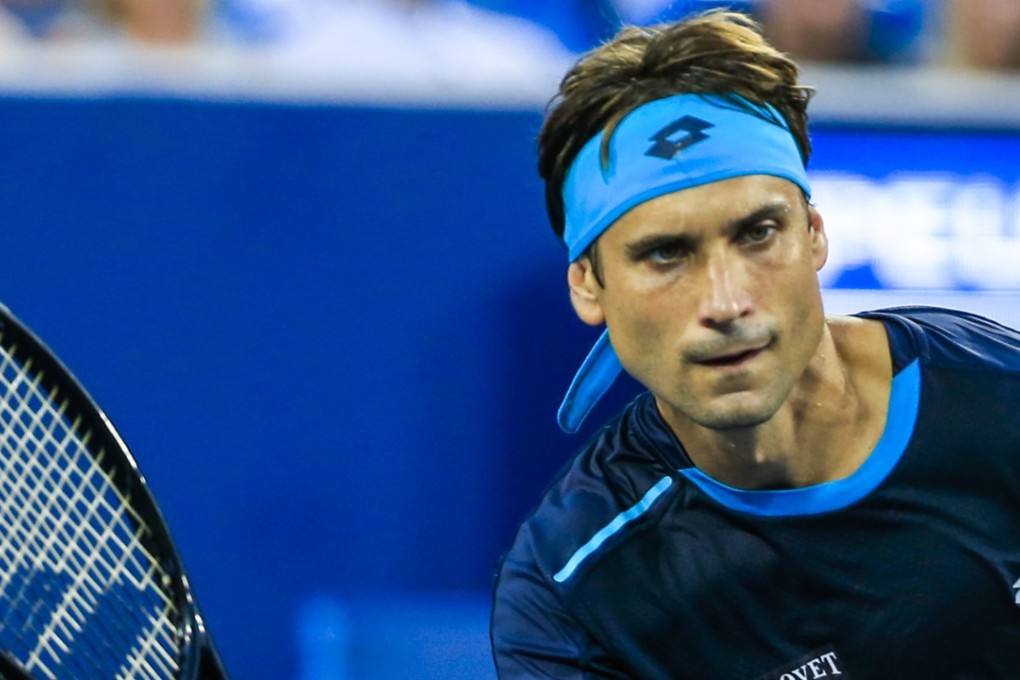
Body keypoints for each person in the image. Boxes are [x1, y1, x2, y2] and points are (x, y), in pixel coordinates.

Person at [489, 10, 1020, 678]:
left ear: (815, 234)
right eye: (665, 254)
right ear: (588, 286)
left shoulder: (1005, 401)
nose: (725, 303)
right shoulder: (575, 596)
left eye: (758, 233)